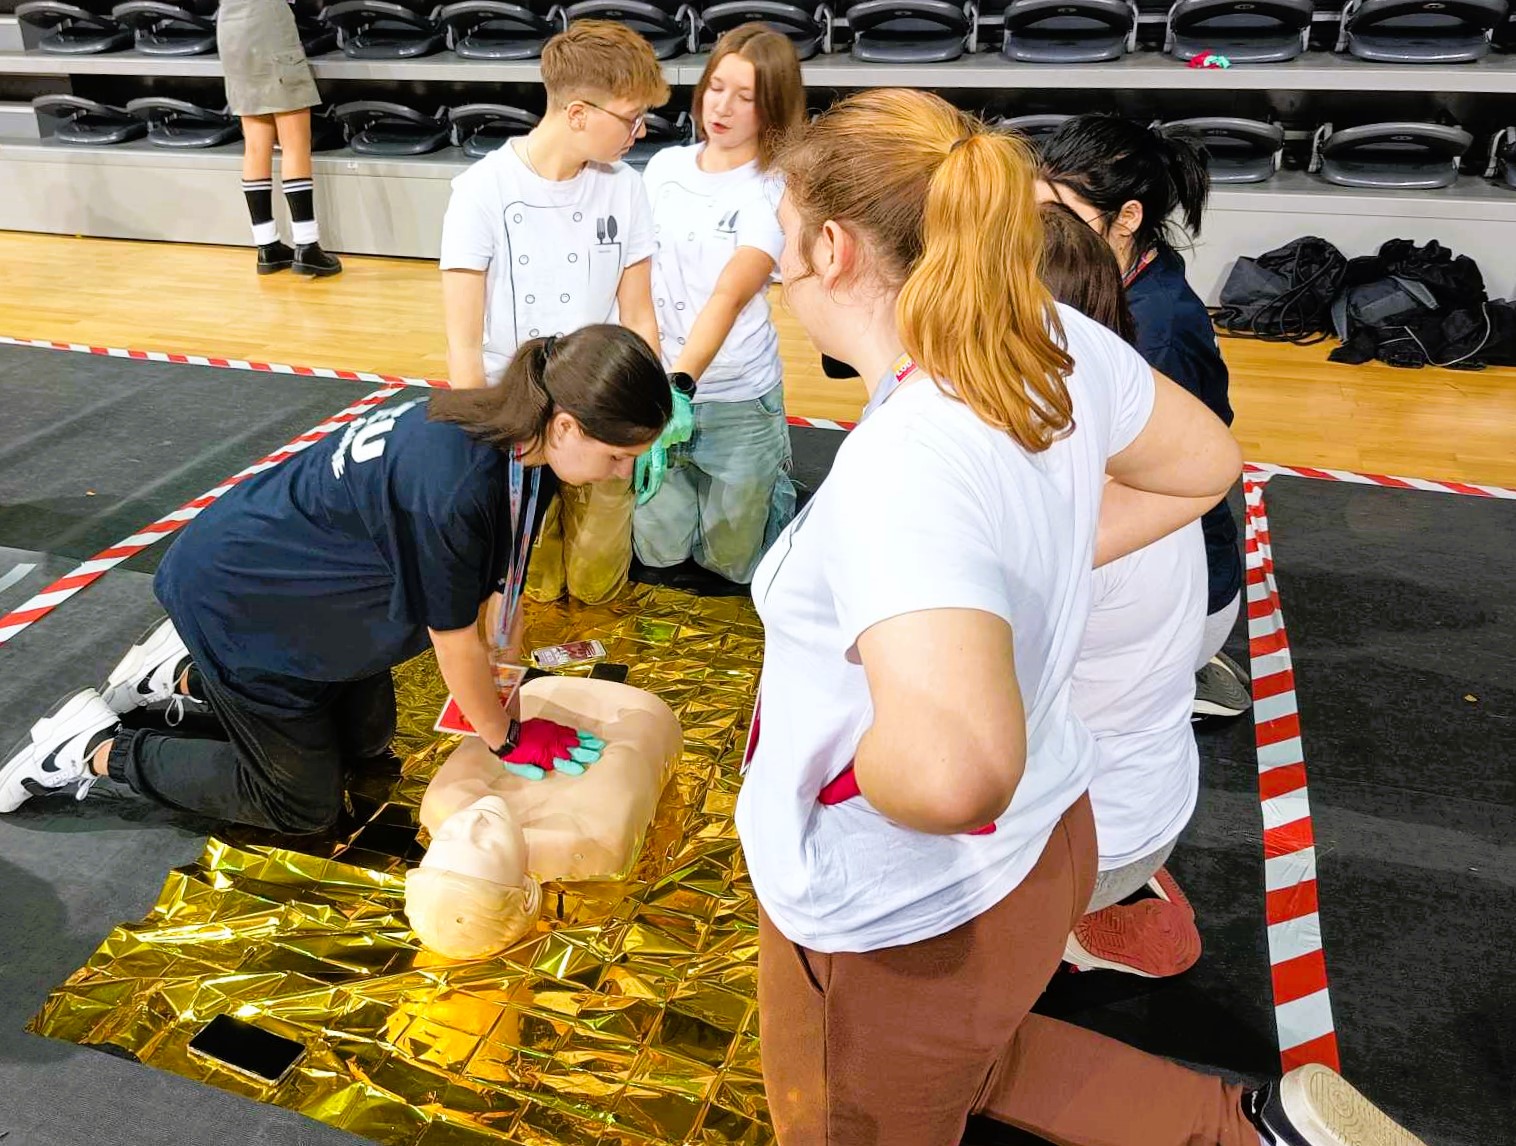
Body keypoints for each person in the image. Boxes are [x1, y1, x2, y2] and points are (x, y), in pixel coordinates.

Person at [739, 89, 1424, 1146]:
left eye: (779, 234)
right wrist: (1032, 565)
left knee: (850, 1116)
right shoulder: (1052, 335)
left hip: (904, 906)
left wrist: (857, 760)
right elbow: (1204, 465)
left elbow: (953, 772)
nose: (774, 263)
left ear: (831, 248)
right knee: (976, 1053)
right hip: (1050, 838)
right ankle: (1245, 1132)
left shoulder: (901, 467)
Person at [0, 326, 671, 832]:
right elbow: (456, 643)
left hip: (300, 591)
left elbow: (502, 586)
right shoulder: (456, 486)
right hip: (243, 604)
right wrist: (507, 736)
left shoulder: (514, 438)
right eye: (617, 456)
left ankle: (182, 675)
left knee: (366, 741)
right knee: (300, 803)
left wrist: (511, 667)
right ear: (564, 424)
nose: (620, 473)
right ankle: (91, 748)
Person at [440, 20, 669, 606]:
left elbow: (640, 315)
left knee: (595, 582)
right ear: (577, 112)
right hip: (519, 417)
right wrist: (477, 448)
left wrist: (653, 416)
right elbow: (464, 346)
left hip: (602, 409)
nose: (637, 133)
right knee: (529, 583)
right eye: (630, 117)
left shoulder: (625, 189)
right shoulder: (480, 191)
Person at [1040, 201, 1208, 978]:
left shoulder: (1067, 504)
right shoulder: (1148, 447)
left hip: (1096, 833)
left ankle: (1074, 924)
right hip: (1147, 799)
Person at [1040, 113, 1252, 720]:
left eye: (1062, 218)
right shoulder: (1134, 277)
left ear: (1127, 218)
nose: (1037, 235)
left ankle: (1186, 666)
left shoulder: (1155, 329)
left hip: (1187, 592)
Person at [631, 24, 804, 584]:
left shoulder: (774, 185)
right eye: (716, 87)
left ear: (772, 107)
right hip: (661, 387)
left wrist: (680, 383)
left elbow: (731, 293)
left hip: (735, 398)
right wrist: (652, 377)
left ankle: (778, 491)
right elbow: (638, 277)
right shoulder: (663, 170)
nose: (722, 107)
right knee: (658, 554)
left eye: (746, 96)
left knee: (731, 565)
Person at [219, 0, 341, 277]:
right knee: (295, 142)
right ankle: (307, 245)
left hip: (230, 26)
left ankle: (267, 246)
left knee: (255, 144)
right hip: (267, 23)